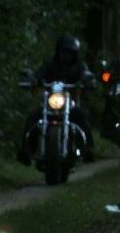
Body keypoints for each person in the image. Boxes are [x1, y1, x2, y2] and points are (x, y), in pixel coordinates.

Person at [18, 35, 96, 164]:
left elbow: (85, 75)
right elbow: (39, 74)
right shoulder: (50, 63)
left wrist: (87, 81)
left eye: (70, 52)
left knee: (82, 117)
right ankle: (25, 150)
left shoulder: (79, 65)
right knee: (32, 117)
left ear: (75, 54)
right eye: (64, 51)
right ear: (58, 51)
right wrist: (32, 80)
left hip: (70, 103)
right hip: (50, 103)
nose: (66, 55)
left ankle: (88, 149)